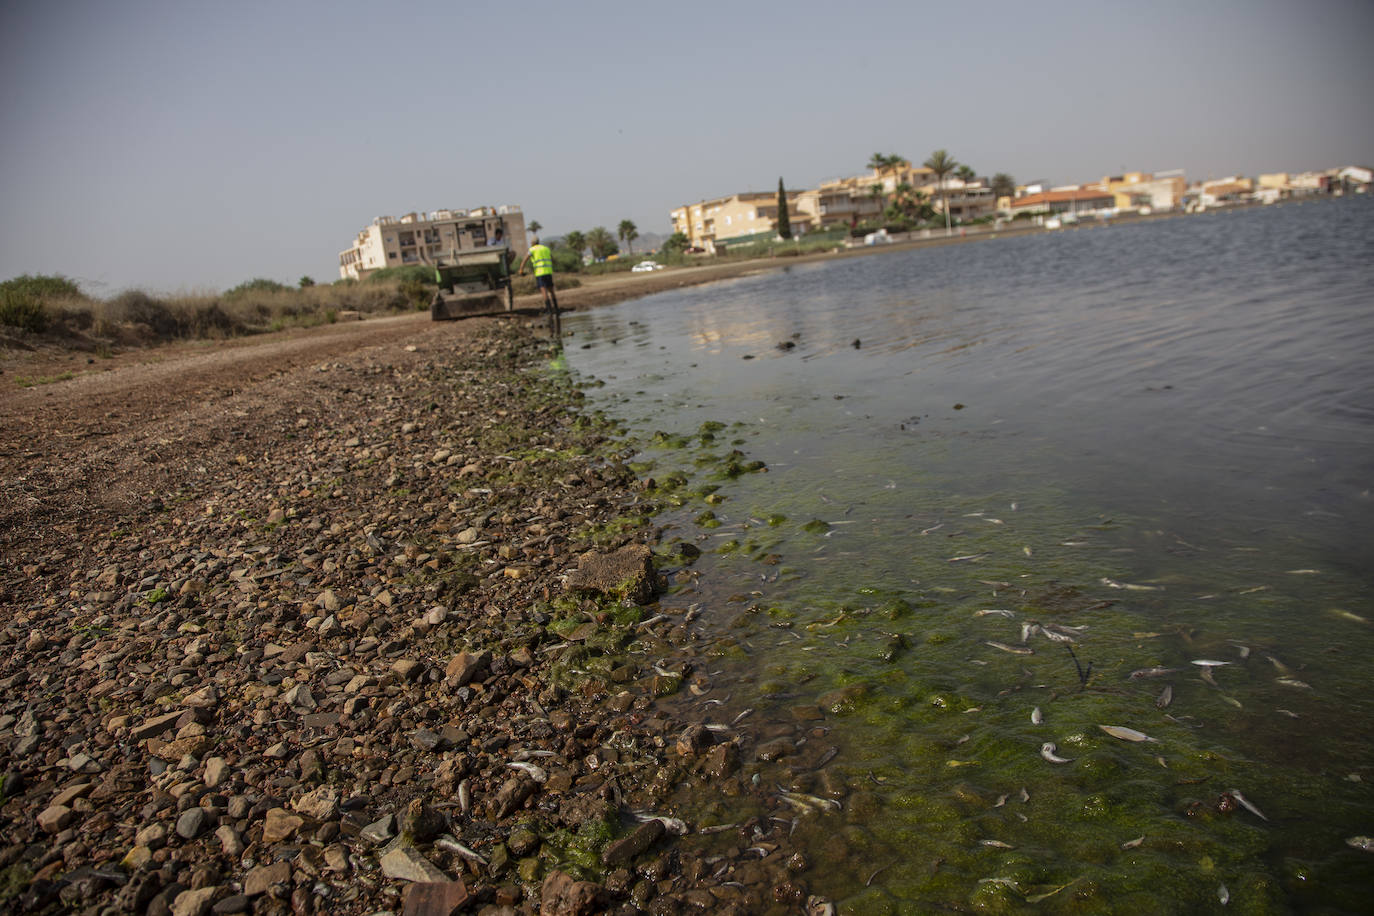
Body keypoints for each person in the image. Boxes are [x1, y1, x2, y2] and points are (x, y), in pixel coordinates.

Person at [517, 236, 560, 339]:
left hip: (540, 273)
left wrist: (521, 270)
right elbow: (552, 259)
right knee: (551, 290)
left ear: (532, 243)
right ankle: (556, 308)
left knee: (544, 290)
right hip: (548, 272)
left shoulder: (532, 249)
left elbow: (524, 260)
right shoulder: (545, 248)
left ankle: (549, 310)